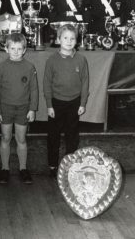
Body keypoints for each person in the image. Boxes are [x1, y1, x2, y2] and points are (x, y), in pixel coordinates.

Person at [44, 24, 89, 177]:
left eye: (72, 38)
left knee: (72, 136)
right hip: (56, 103)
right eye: (65, 38)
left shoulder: (81, 60)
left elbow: (85, 83)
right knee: (53, 136)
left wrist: (82, 103)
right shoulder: (52, 60)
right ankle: (52, 166)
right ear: (58, 40)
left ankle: (71, 165)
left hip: (74, 103)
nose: (69, 41)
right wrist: (49, 105)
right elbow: (46, 84)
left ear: (76, 41)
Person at [0, 33, 38, 184]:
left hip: (23, 109)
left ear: (24, 50)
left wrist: (32, 109)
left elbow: (34, 90)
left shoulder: (29, 67)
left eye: (19, 48)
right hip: (6, 108)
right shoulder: (1, 67)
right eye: (12, 48)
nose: (16, 51)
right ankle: (5, 169)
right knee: (5, 138)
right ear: (6, 49)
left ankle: (23, 168)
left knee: (21, 139)